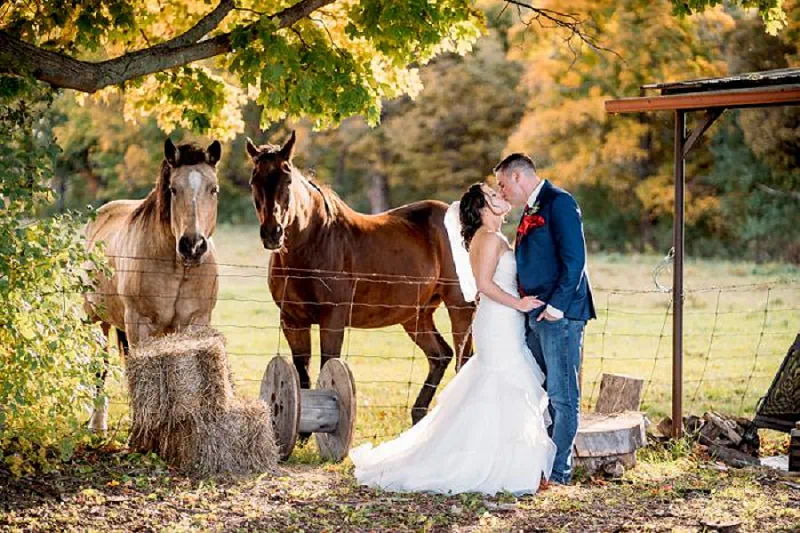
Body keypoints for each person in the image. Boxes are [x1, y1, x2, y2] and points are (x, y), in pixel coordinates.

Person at [348, 183, 556, 496]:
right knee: (499, 383)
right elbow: (484, 286)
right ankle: (482, 463)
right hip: (499, 320)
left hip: (504, 322)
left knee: (497, 385)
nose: (501, 195)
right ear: (484, 208)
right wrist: (520, 304)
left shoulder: (492, 237)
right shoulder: (487, 238)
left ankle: (501, 459)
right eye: (494, 195)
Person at [494, 153, 596, 484]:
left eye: (502, 184)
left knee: (562, 395)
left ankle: (558, 472)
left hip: (559, 316)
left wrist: (557, 306)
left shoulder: (559, 202)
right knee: (538, 391)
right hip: (535, 314)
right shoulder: (531, 209)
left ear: (517, 178)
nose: (502, 191)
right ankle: (539, 463)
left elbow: (575, 259)